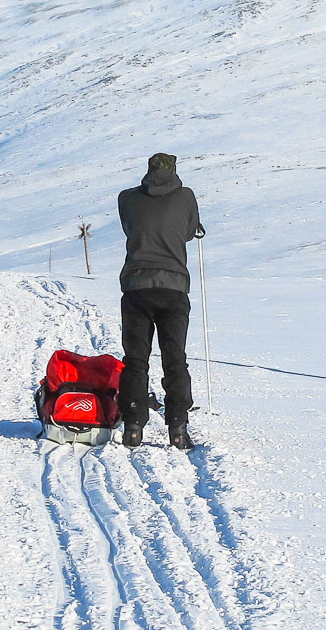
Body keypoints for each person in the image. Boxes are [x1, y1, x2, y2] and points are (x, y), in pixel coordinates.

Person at [116, 152, 204, 450]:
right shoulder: (186, 196)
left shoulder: (127, 198)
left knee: (135, 359)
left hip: (136, 286)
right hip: (174, 287)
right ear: (174, 170)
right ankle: (177, 427)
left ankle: (133, 426)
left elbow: (130, 228)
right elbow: (190, 231)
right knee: (175, 359)